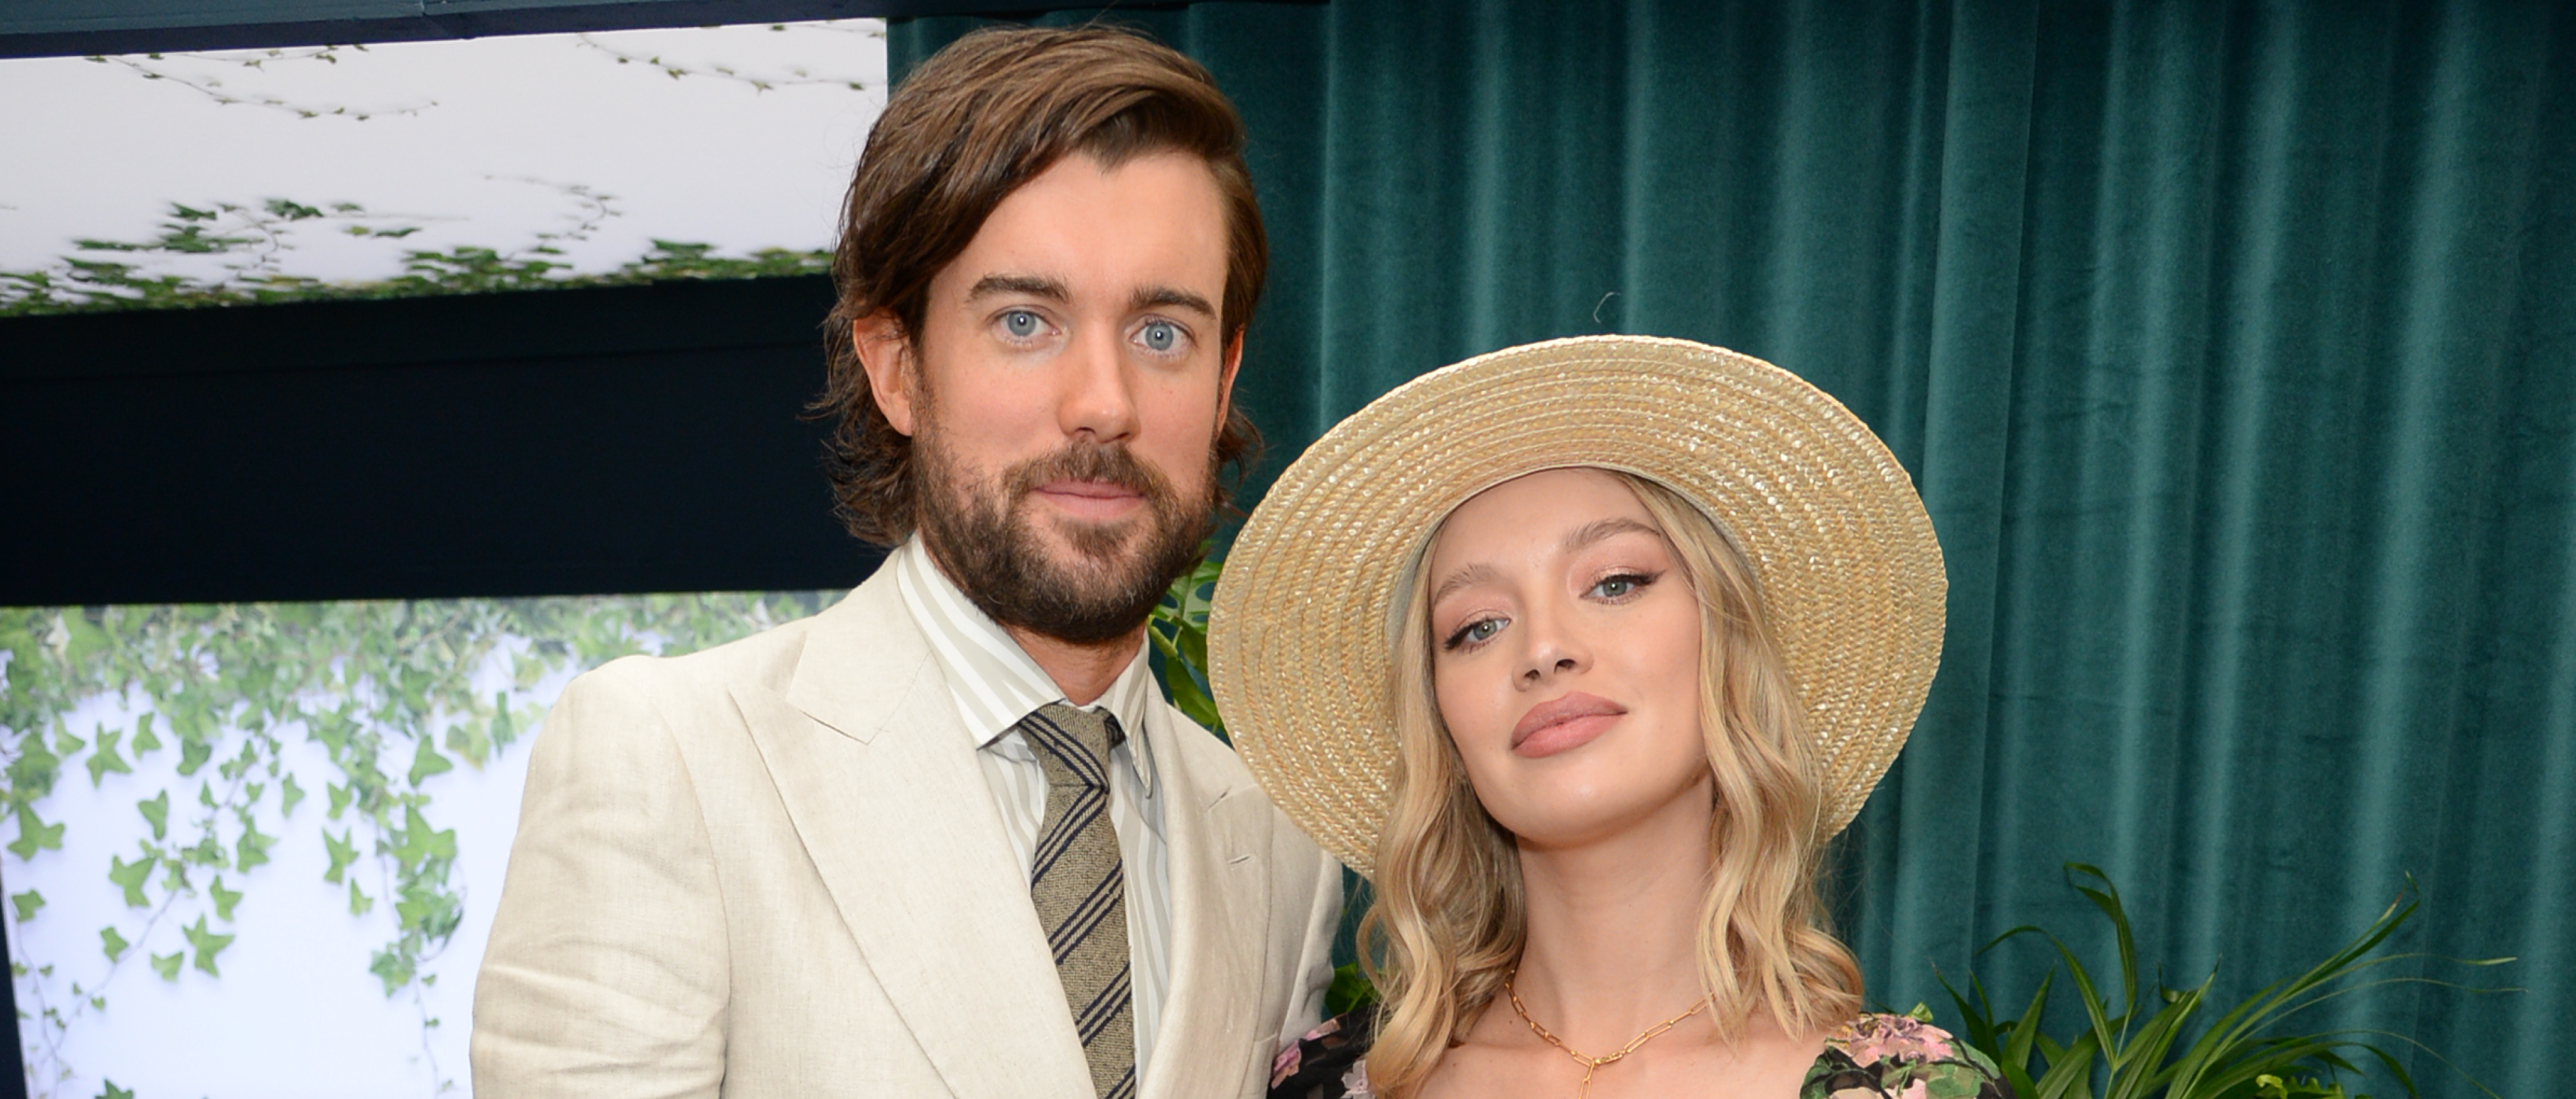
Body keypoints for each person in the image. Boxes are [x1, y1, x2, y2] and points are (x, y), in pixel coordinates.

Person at [471, 25, 1343, 1099]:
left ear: (1224, 378)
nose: (1105, 404)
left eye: (1162, 332)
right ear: (895, 367)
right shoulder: (674, 762)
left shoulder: (1280, 847)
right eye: (1026, 320)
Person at [1206, 336, 2011, 1098]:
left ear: (1726, 642)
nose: (1543, 648)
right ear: (1442, 729)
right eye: (1476, 626)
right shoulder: (1328, 1080)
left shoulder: (1913, 1088)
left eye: (1615, 581)